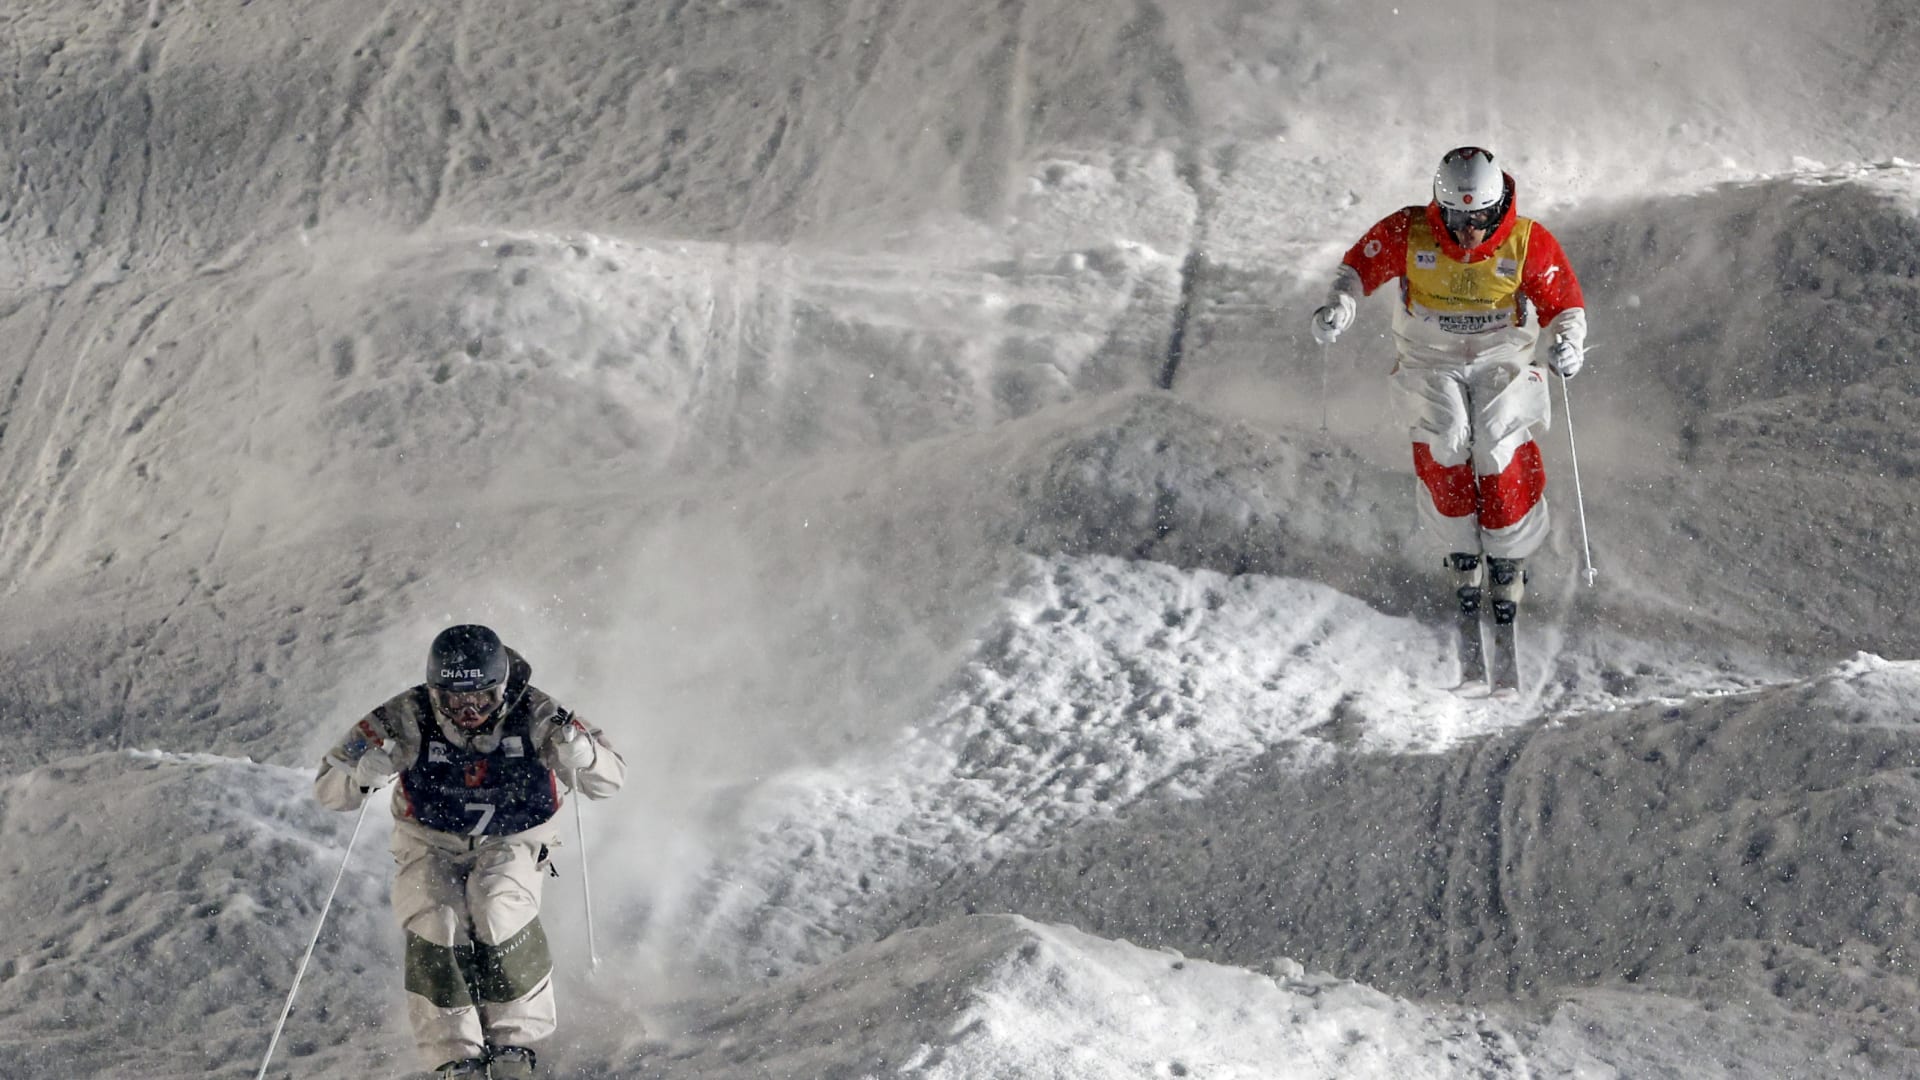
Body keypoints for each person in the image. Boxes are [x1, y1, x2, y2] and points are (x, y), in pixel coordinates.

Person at [1308, 146, 1587, 674]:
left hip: (1502, 354)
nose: (1469, 234)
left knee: (1496, 435)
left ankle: (1509, 552)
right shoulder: (1410, 231)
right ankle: (1460, 548)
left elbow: (1564, 303)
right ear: (1441, 208)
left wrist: (1568, 344)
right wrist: (1340, 305)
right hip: (1428, 355)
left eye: (1480, 219)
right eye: (1457, 220)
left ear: (1498, 207)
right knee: (1447, 434)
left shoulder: (1527, 240)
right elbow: (1358, 268)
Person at [315, 624, 626, 1079]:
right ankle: (453, 1053)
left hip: (516, 835)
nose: (469, 711)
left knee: (497, 904)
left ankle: (517, 1044)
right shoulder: (405, 714)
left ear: (502, 686)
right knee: (435, 916)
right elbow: (328, 788)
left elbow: (610, 780)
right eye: (453, 700)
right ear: (434, 690)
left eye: (482, 698)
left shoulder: (538, 712)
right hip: (429, 838)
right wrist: (360, 776)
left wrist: (586, 757)